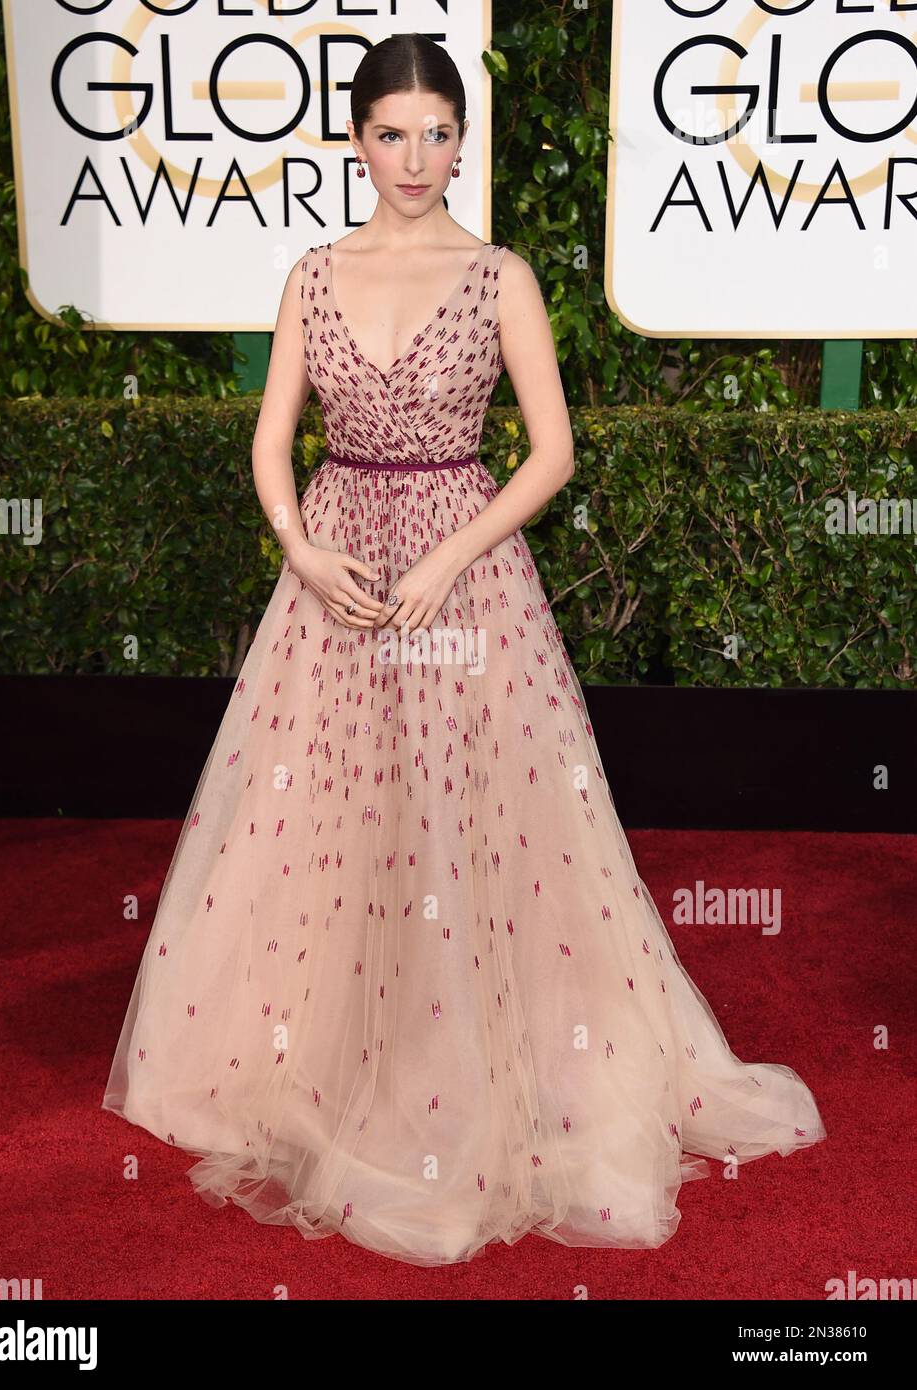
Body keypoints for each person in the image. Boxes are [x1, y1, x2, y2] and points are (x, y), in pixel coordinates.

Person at [102, 33, 825, 1267]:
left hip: (463, 567)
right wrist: (299, 548)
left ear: (459, 142)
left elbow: (550, 452)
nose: (416, 157)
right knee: (326, 818)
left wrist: (447, 557)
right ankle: (320, 1057)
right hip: (331, 573)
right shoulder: (312, 275)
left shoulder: (500, 278)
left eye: (438, 133)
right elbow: (272, 440)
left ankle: (465, 1069)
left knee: (471, 822)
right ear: (353, 137)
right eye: (391, 132)